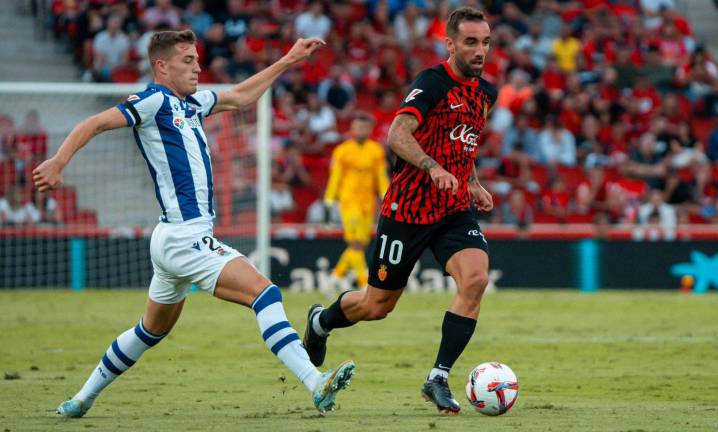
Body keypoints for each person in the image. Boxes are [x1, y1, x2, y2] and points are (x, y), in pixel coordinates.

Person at [32, 29, 354, 419]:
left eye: (198, 60)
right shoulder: (152, 100)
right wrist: (58, 161)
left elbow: (239, 96)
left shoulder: (192, 104)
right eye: (188, 61)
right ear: (161, 66)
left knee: (151, 330)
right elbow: (95, 123)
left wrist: (289, 60)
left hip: (173, 239)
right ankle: (314, 381)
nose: (197, 67)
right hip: (185, 237)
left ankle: (81, 400)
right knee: (266, 295)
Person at [302, 7, 496, 414]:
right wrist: (432, 167)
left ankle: (438, 377)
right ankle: (320, 322)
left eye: (486, 42)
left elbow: (464, 141)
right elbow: (396, 134)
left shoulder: (485, 93)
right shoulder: (432, 82)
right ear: (450, 44)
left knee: (475, 279)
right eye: (471, 42)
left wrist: (472, 180)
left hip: (454, 210)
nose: (481, 51)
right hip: (407, 211)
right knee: (376, 306)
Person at [323, 113, 389, 294]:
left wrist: (386, 196)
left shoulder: (376, 150)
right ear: (352, 129)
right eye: (358, 127)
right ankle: (364, 283)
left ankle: (334, 278)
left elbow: (381, 177)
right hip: (349, 202)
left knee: (360, 244)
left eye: (365, 127)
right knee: (356, 244)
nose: (361, 130)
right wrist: (329, 200)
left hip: (368, 204)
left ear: (370, 130)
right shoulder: (342, 151)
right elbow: (335, 178)